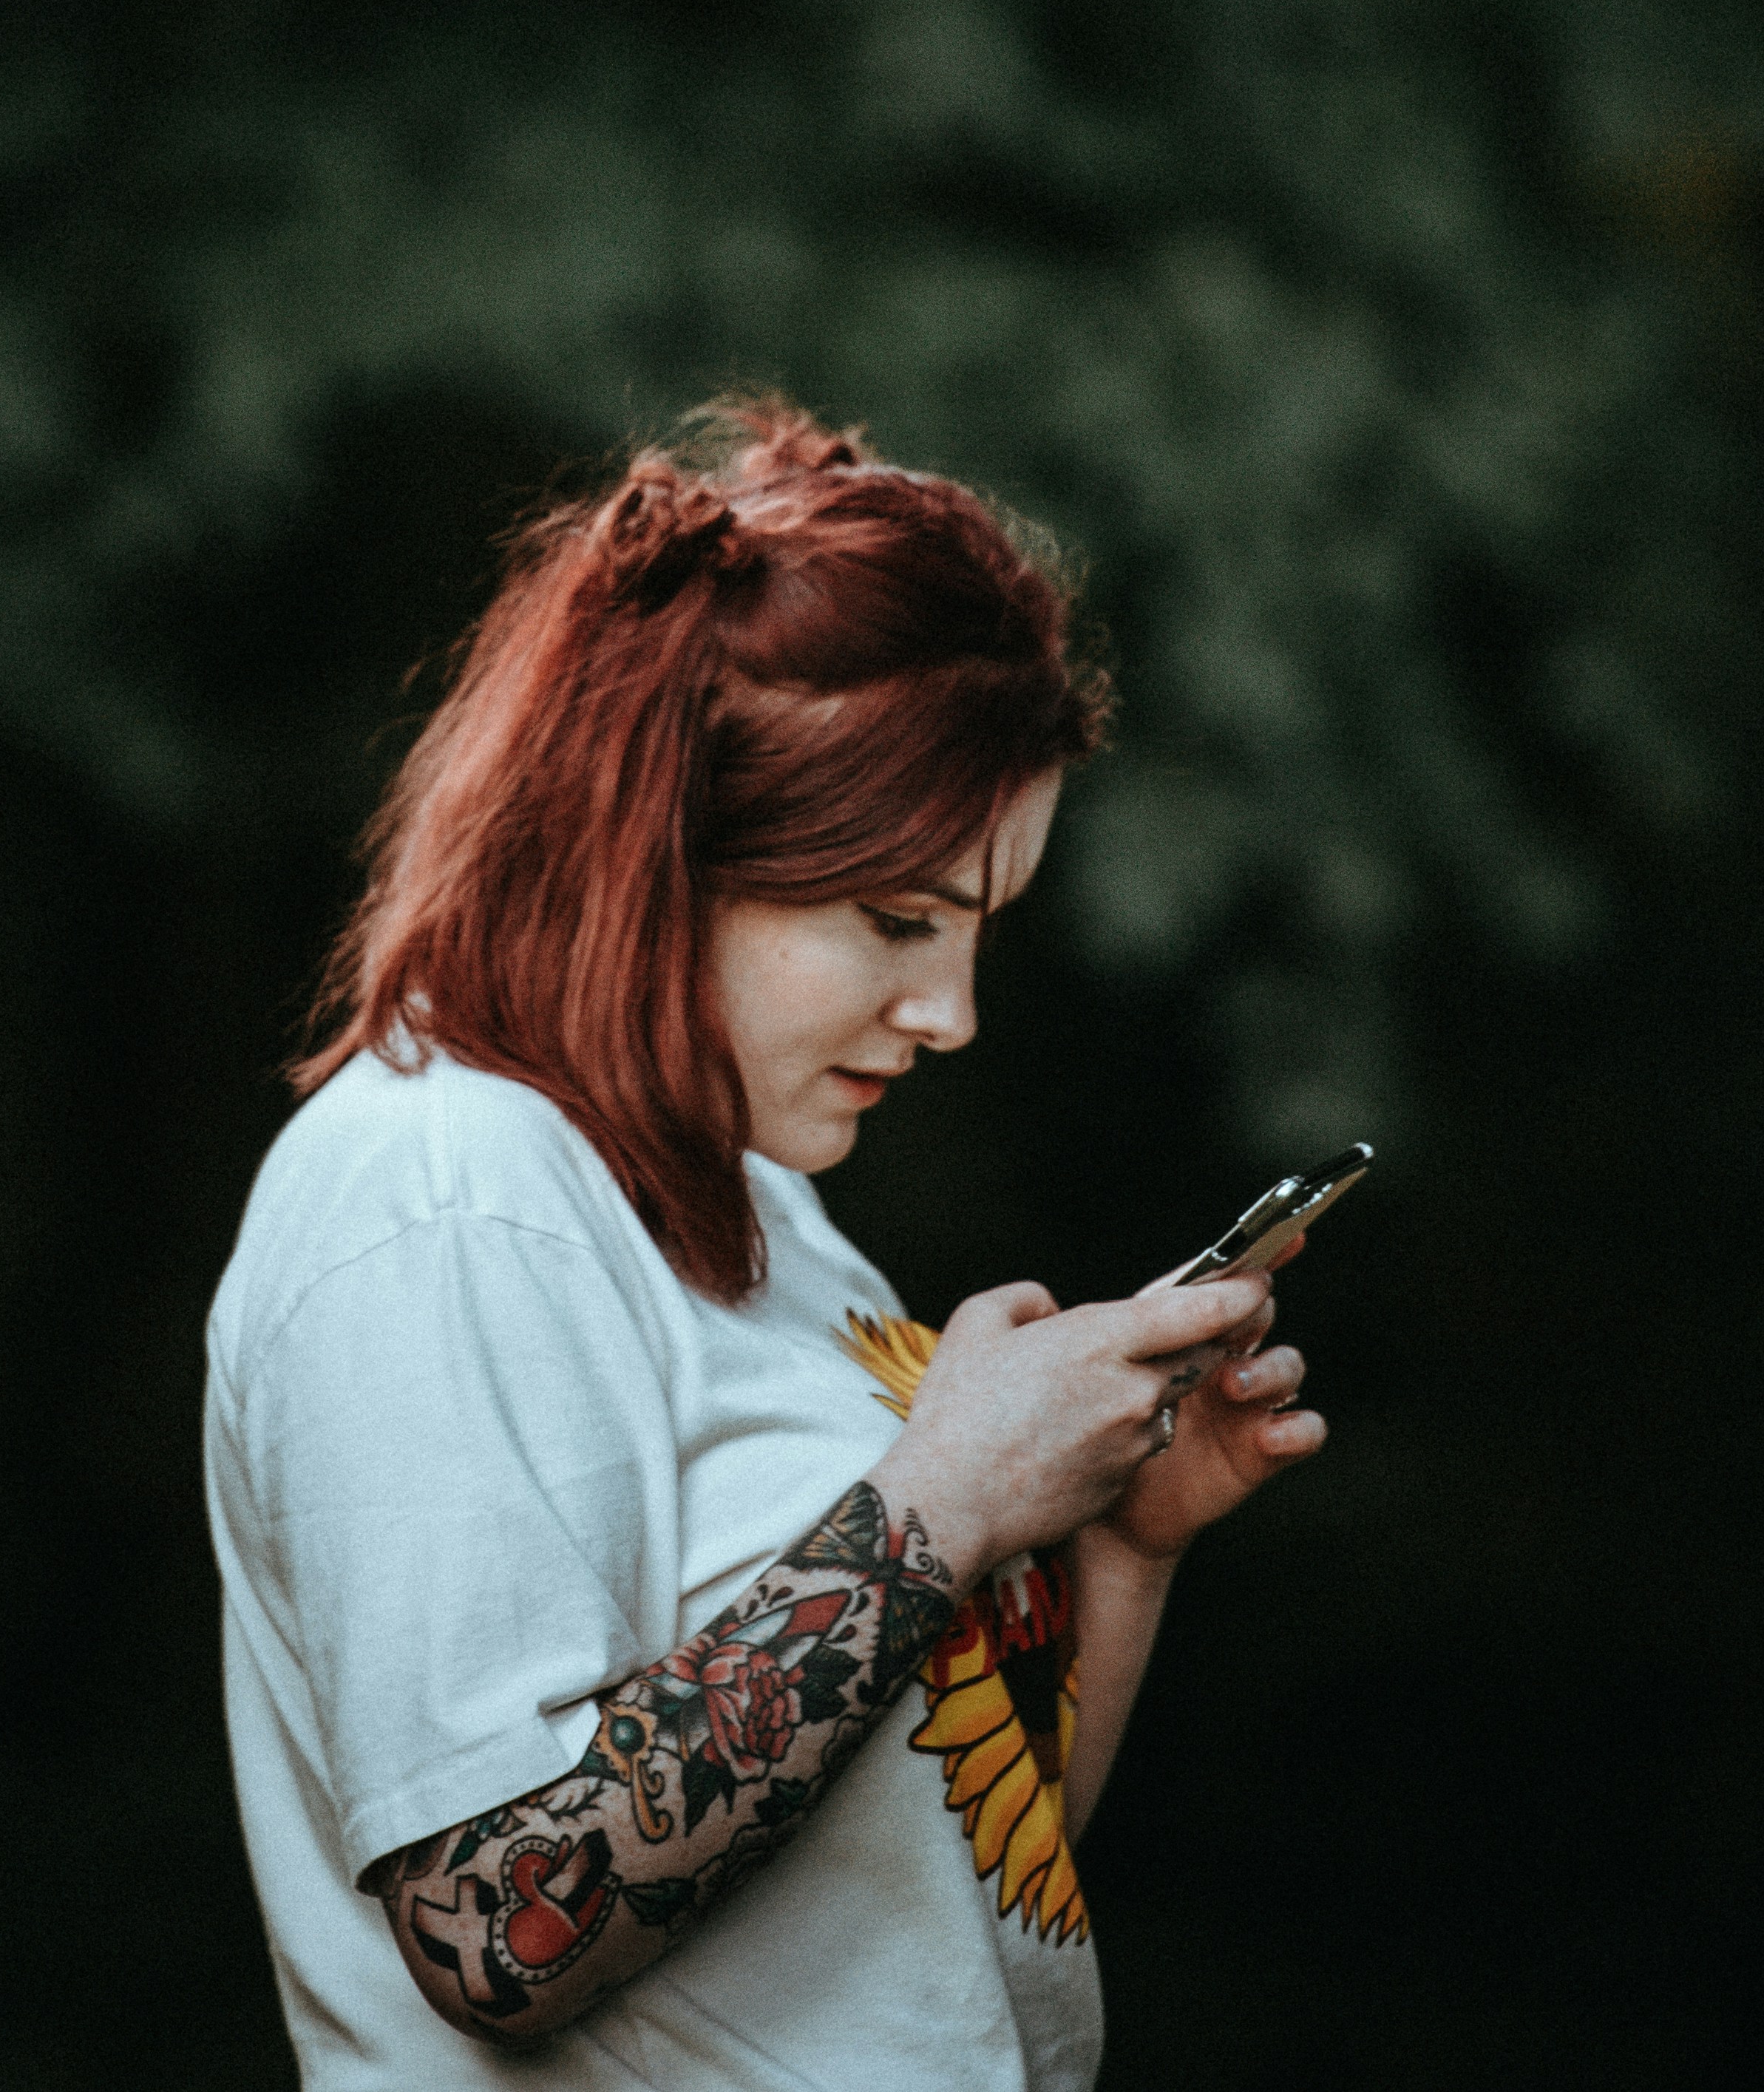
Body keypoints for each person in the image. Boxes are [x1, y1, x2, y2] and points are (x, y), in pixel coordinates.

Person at [206, 401, 1326, 2089]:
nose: (949, 1013)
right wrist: (949, 1496)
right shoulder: (439, 1194)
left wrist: (1115, 1542)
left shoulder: (756, 1209)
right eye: (897, 919)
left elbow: (951, 1901)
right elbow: (496, 1923)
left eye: (978, 932)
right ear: (658, 852)